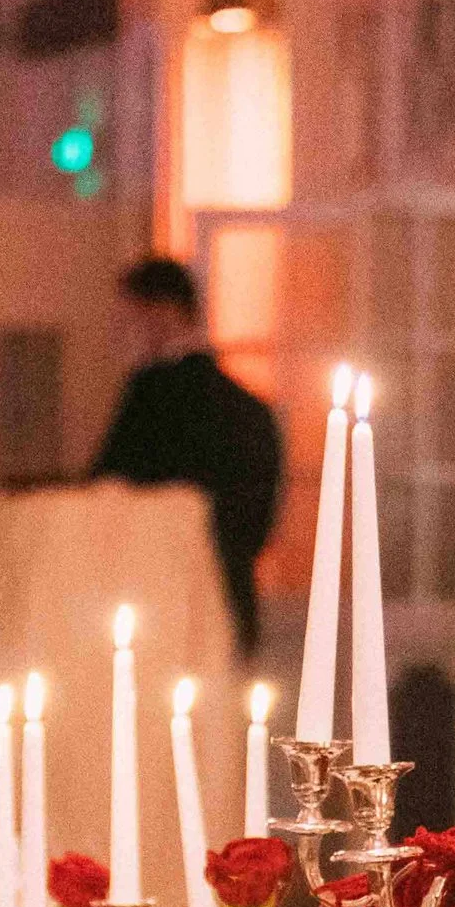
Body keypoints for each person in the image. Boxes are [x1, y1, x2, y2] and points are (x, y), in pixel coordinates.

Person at [90, 256, 284, 661]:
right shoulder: (251, 409)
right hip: (230, 601)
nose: (120, 336)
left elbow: (105, 493)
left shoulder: (150, 396)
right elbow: (259, 523)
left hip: (158, 607)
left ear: (162, 313)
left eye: (128, 321)